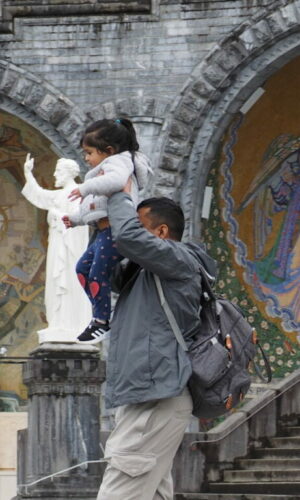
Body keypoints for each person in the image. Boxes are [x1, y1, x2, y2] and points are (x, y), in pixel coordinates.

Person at [97, 185, 216, 500]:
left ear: (161, 232)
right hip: (150, 396)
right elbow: (108, 267)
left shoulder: (180, 258)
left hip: (157, 397)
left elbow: (129, 239)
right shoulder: (145, 274)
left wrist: (117, 193)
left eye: (139, 225)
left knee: (118, 493)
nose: (130, 234)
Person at [62, 118, 152, 344]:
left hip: (114, 231)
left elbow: (116, 181)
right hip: (102, 232)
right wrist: (75, 219)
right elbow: (95, 208)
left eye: (89, 152)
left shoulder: (118, 164)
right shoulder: (101, 171)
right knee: (82, 269)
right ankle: (99, 316)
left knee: (96, 273)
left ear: (108, 151)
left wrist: (85, 187)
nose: (86, 158)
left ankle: (101, 321)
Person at [22, 155, 91, 343]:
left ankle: (70, 324)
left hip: (69, 250)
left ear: (69, 173)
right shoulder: (59, 194)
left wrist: (57, 215)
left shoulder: (77, 193)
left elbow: (78, 221)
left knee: (66, 281)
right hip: (57, 245)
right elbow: (40, 195)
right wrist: (28, 173)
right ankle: (58, 323)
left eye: (58, 171)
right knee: (54, 283)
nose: (54, 174)